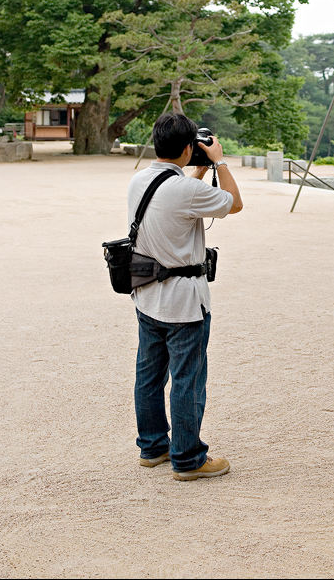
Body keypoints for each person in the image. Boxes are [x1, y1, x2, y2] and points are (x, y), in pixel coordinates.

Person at [127, 112, 243, 481]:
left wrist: (199, 169)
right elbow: (234, 203)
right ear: (189, 147)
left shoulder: (140, 180)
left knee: (149, 376)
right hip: (184, 304)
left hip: (147, 296)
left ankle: (153, 447)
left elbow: (179, 199)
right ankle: (188, 458)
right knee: (187, 380)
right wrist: (220, 161)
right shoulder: (187, 191)